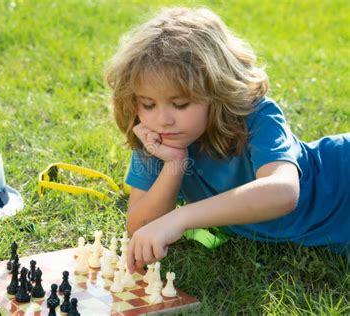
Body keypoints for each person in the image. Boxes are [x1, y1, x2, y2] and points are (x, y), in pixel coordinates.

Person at [104, 7, 350, 273]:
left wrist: (182, 217)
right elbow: (141, 227)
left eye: (181, 104)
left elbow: (283, 192)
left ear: (217, 92)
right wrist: (174, 164)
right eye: (148, 104)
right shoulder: (156, 140)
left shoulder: (257, 116)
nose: (163, 119)